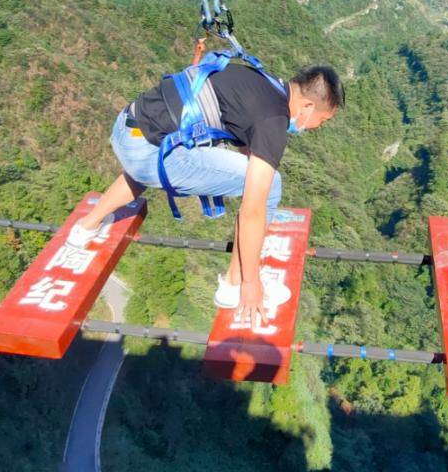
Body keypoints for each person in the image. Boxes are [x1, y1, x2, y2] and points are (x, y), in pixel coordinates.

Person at [66, 54, 344, 322]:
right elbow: (253, 209)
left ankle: (86, 227)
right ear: (308, 106)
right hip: (148, 156)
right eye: (323, 120)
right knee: (271, 186)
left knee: (159, 154)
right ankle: (235, 285)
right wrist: (252, 283)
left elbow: (246, 143)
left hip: (127, 130)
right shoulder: (273, 120)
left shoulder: (257, 80)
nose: (317, 127)